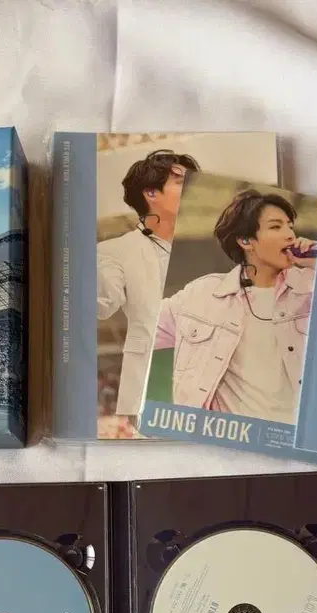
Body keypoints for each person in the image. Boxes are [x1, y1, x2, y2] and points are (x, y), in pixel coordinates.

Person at [153, 189, 316, 423]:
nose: (290, 235)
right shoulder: (201, 296)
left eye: (290, 226)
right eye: (276, 227)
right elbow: (142, 329)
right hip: (229, 438)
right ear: (245, 240)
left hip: (296, 434)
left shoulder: (313, 288)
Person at [97, 149, 200, 416]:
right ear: (151, 193)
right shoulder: (115, 251)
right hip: (150, 383)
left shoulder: (209, 245)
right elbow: (102, 306)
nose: (192, 191)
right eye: (181, 183)